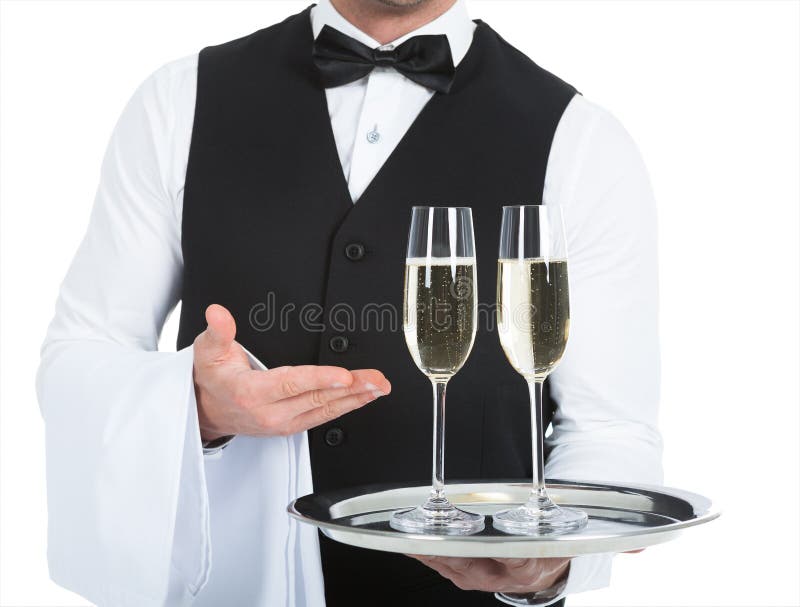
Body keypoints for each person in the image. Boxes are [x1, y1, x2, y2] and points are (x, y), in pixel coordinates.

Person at [36, 0, 663, 605]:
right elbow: (79, 355)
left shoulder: (580, 138)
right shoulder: (178, 100)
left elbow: (609, 427)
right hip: (224, 587)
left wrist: (556, 563)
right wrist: (193, 407)